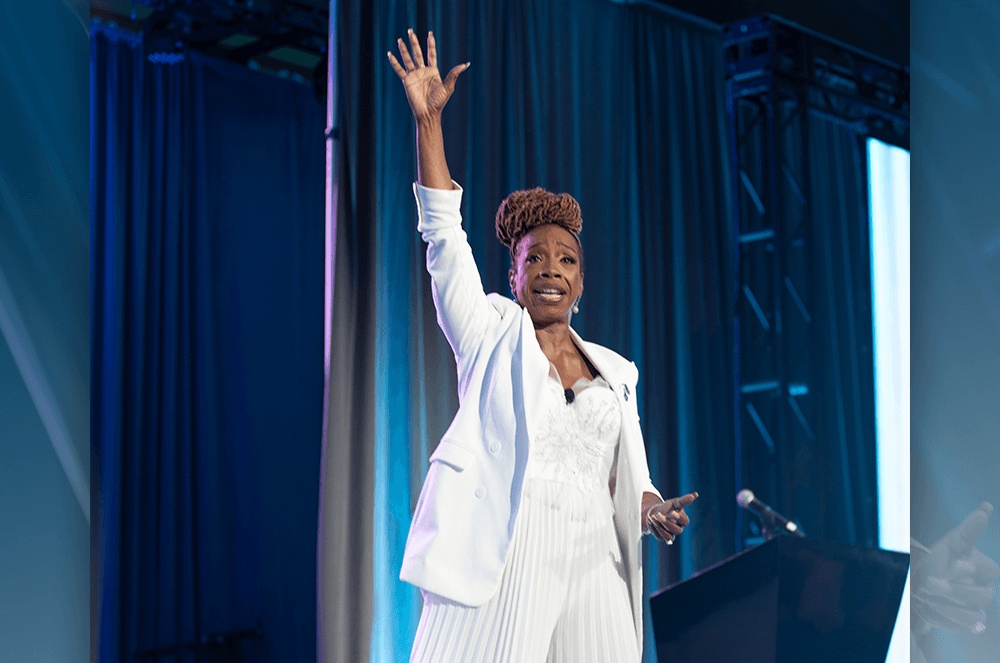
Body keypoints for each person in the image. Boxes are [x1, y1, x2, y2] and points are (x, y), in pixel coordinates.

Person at [388, 30, 698, 662]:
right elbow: (444, 236)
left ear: (581, 281)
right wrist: (429, 124)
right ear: (514, 276)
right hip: (508, 540)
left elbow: (622, 477)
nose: (551, 268)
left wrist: (651, 509)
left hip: (594, 555)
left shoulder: (616, 372)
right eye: (536, 259)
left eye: (567, 259)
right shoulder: (489, 332)